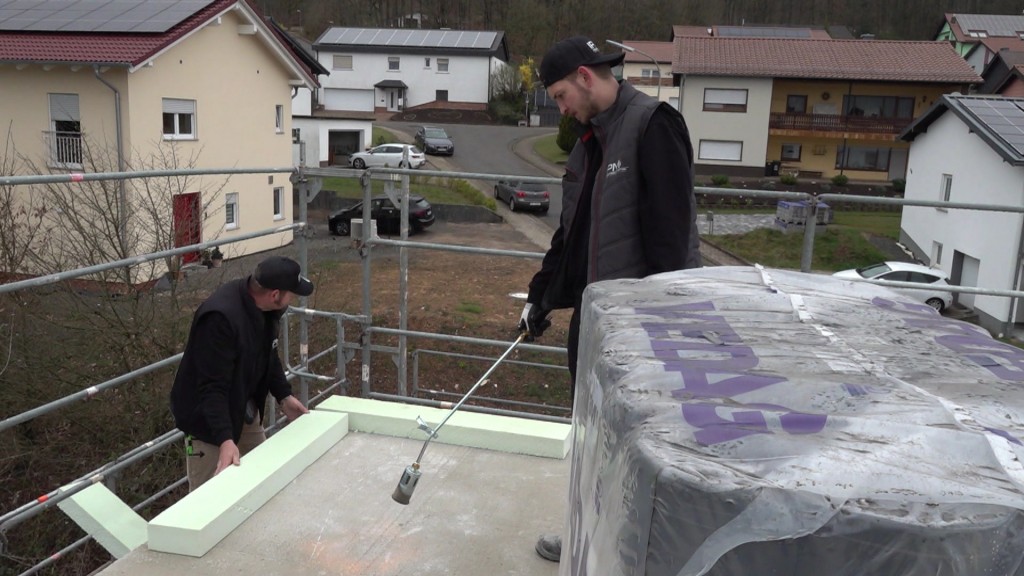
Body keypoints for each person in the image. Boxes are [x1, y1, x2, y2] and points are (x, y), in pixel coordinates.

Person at [518, 35, 702, 562]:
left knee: (642, 445)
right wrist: (540, 296)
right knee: (594, 436)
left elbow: (671, 238)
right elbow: (571, 235)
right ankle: (587, 538)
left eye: (559, 96)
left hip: (646, 329)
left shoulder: (653, 124)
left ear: (584, 76)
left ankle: (638, 552)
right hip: (596, 320)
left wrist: (662, 328)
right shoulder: (587, 145)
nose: (560, 108)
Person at [170, 255, 314, 491]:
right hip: (208, 424)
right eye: (292, 294)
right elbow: (211, 388)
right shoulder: (219, 319)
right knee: (212, 496)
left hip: (243, 409)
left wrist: (284, 395)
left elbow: (269, 353)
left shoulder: (266, 310)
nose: (293, 299)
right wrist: (225, 440)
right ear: (275, 294)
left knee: (264, 480)